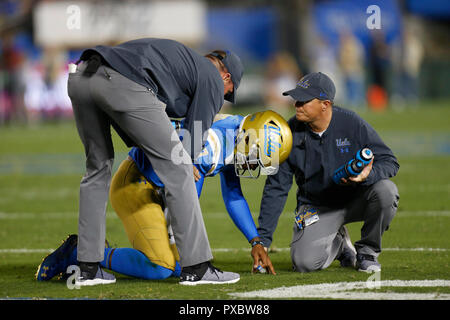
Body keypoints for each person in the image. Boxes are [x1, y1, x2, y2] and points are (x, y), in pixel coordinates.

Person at [36, 110, 293, 284]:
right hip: (139, 185)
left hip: (160, 189)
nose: (252, 164)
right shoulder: (214, 143)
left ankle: (94, 252)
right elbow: (186, 195)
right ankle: (83, 252)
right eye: (255, 157)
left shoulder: (236, 132)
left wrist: (256, 241)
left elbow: (233, 194)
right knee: (162, 267)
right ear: (250, 138)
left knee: (183, 267)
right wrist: (176, 235)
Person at [66, 38, 243, 286]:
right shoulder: (211, 78)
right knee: (180, 170)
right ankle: (197, 267)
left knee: (97, 169)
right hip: (118, 82)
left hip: (81, 76)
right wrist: (187, 160)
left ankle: (87, 268)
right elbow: (195, 136)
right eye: (228, 93)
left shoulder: (180, 63)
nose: (224, 97)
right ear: (226, 78)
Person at [257, 72, 400, 273]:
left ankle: (367, 252)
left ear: (325, 104)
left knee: (386, 191)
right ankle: (341, 245)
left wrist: (369, 174)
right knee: (304, 264)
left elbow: (389, 161)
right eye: (296, 99)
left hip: (354, 199)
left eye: (304, 100)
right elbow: (276, 188)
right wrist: (262, 240)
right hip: (317, 206)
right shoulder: (288, 132)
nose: (297, 104)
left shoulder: (351, 123)